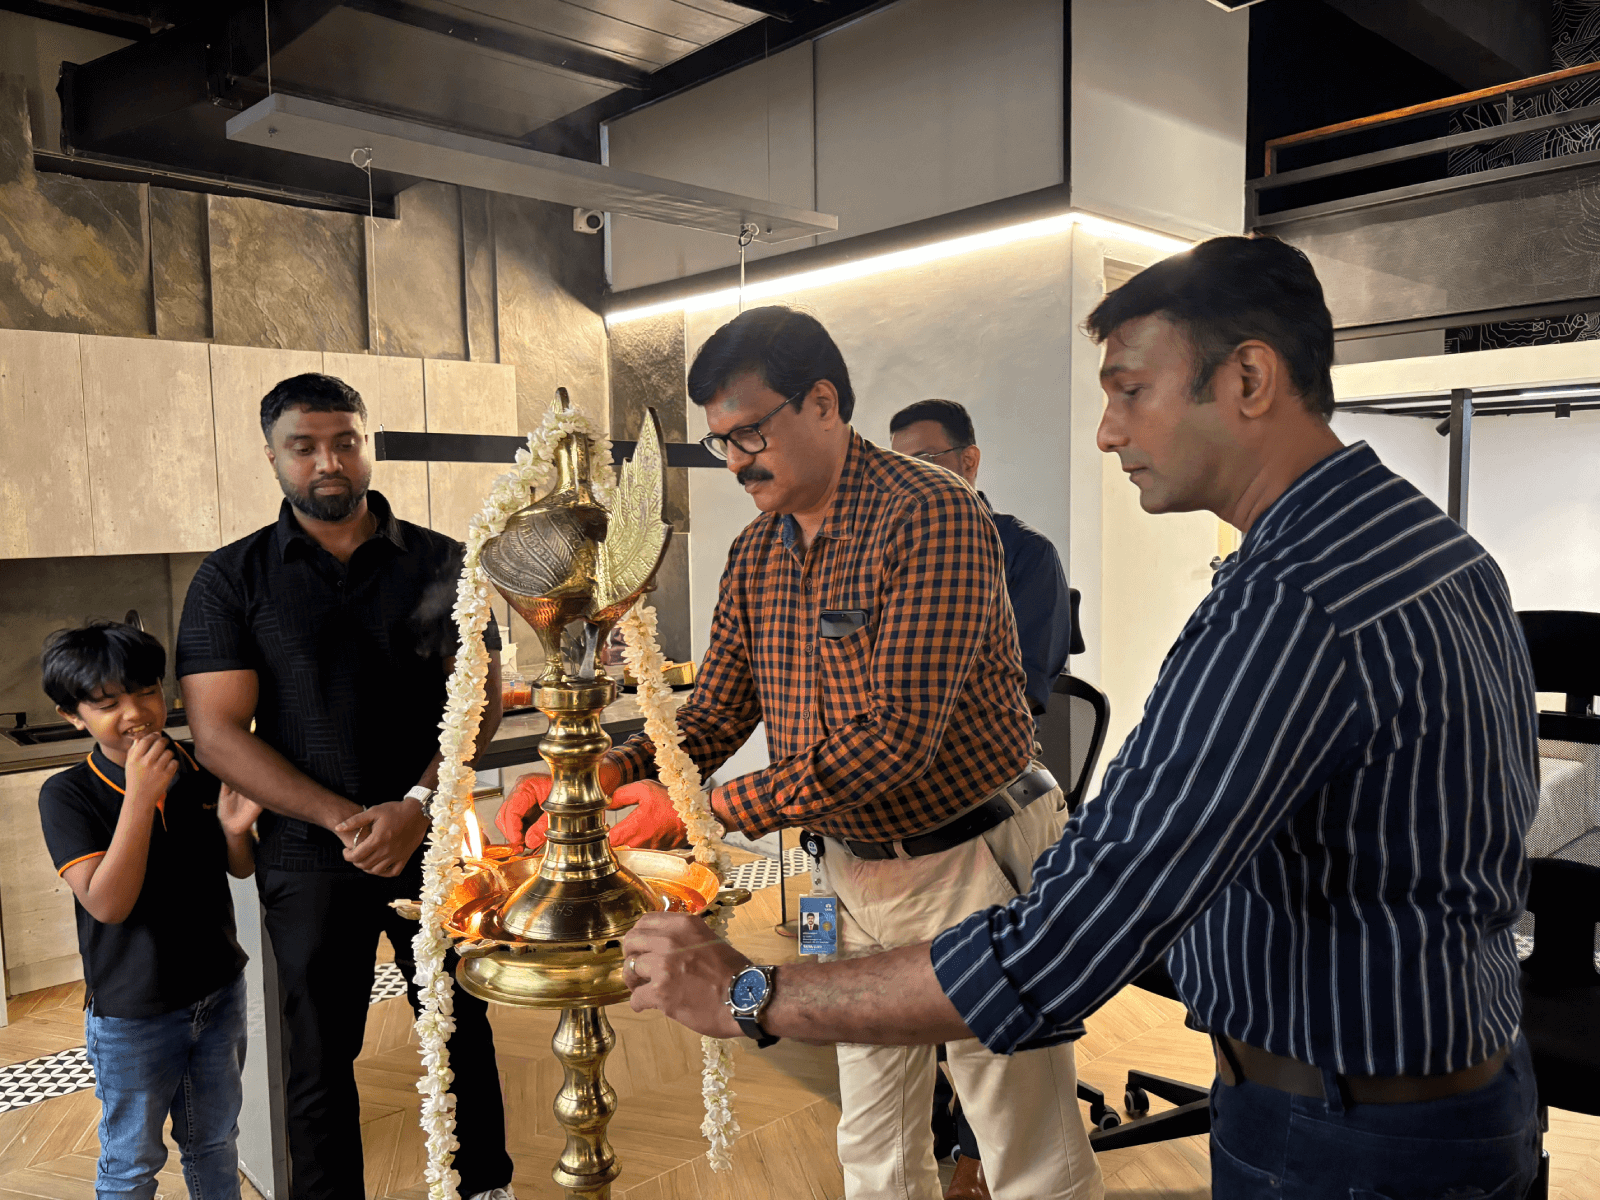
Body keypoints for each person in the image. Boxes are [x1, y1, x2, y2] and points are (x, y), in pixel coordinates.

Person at [619, 238, 1543, 1200]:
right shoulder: (1430, 549)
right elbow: (719, 702)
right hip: (1437, 1083)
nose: (1106, 433)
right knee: (875, 1139)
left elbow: (1067, 935)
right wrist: (610, 781)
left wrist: (749, 988)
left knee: (1024, 1149)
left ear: (1251, 377)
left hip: (1346, 1132)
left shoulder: (1286, 600)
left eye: (1130, 390)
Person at [498, 306, 1104, 1200]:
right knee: (872, 1135)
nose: (737, 460)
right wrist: (588, 782)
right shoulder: (756, 552)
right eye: (720, 443)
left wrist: (700, 814)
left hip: (970, 861)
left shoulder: (931, 514)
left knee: (1023, 1145)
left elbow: (894, 743)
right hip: (844, 872)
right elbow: (710, 718)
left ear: (822, 401)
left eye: (750, 430)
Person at [176, 374, 516, 1200]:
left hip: (430, 844)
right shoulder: (233, 579)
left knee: (462, 1026)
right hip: (305, 854)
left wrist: (414, 806)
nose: (328, 461)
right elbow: (216, 731)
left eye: (344, 441)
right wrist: (345, 818)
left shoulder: (445, 562)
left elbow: (481, 696)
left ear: (369, 444)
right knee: (320, 1054)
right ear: (273, 457)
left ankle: (486, 1188)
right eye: (305, 446)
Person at [38, 621, 260, 1200]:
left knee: (215, 1141)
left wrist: (236, 833)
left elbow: (238, 868)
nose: (136, 712)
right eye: (109, 703)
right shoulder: (66, 794)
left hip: (218, 992)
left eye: (147, 692)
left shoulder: (199, 764)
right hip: (132, 1014)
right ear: (72, 715)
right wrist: (138, 797)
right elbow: (108, 904)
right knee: (132, 1162)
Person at [889, 399, 1072, 714]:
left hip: (983, 749)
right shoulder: (895, 557)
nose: (908, 483)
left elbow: (1021, 693)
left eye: (922, 463)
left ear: (969, 461)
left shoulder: (1026, 554)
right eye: (898, 469)